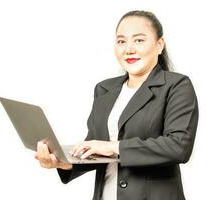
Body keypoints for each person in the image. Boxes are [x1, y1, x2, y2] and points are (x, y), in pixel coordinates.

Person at [35, 10, 198, 200]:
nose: (128, 49)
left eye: (139, 40)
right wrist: (66, 163)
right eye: (121, 41)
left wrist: (114, 147)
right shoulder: (104, 89)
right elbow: (96, 149)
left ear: (159, 45)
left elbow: (178, 146)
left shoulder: (176, 85)